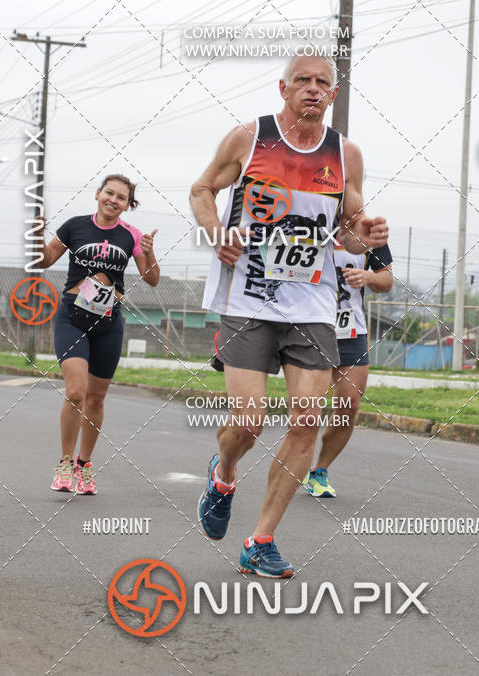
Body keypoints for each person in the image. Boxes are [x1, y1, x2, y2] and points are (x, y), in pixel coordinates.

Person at [190, 50, 389, 578]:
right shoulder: (249, 138)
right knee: (250, 422)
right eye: (302, 80)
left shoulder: (346, 155)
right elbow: (203, 188)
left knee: (306, 421)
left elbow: (347, 227)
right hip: (249, 299)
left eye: (323, 82)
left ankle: (260, 539)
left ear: (334, 94)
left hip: (313, 304)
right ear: (283, 89)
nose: (313, 88)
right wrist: (217, 233)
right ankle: (224, 472)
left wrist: (362, 235)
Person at [35, 174, 159, 495]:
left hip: (108, 321)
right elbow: (45, 259)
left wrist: (150, 251)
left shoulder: (130, 235)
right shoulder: (74, 226)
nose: (113, 200)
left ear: (127, 205)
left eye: (121, 197)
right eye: (109, 193)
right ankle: (64, 463)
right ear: (97, 194)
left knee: (97, 398)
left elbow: (152, 279)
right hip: (72, 317)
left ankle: (84, 464)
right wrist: (37, 236)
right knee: (76, 392)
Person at [303, 241, 393, 498]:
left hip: (350, 328)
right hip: (309, 324)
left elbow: (386, 280)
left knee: (350, 404)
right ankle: (295, 458)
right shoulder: (307, 219)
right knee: (308, 410)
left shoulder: (368, 233)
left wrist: (368, 276)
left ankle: (319, 471)